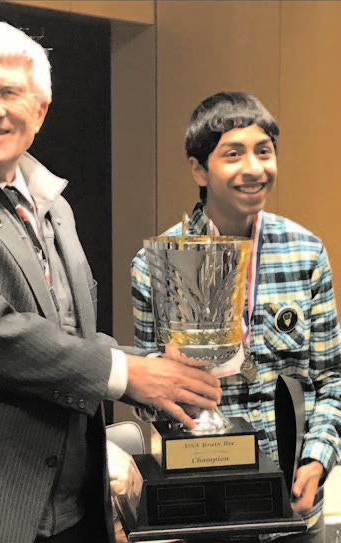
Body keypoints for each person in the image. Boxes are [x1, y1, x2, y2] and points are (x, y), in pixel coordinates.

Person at [0, 22, 221, 543]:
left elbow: (67, 334)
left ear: (39, 111)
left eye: (11, 92)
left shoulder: (53, 205)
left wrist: (159, 371)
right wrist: (129, 375)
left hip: (71, 510)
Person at [131, 91, 341, 542]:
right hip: (202, 511)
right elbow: (146, 397)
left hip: (290, 509)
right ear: (198, 169)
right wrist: (165, 372)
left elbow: (332, 379)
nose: (254, 168)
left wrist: (318, 458)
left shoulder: (304, 252)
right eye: (233, 153)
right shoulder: (157, 265)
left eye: (264, 152)